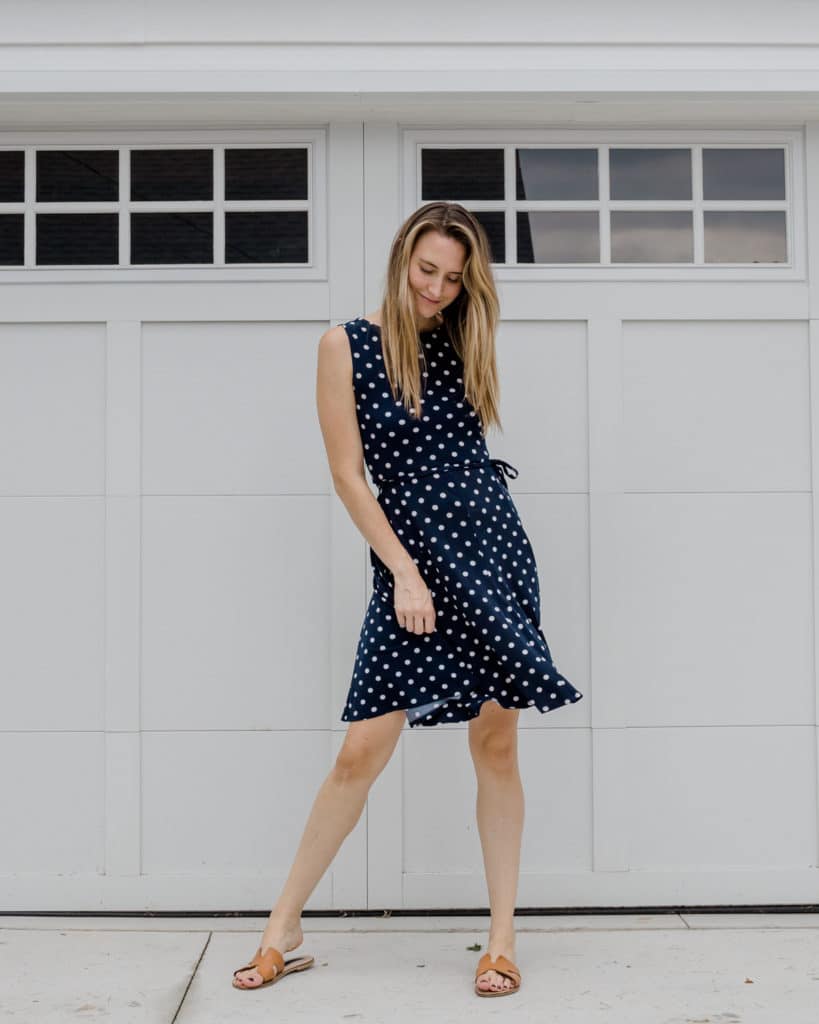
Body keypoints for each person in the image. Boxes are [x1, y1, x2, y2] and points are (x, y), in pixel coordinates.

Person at [231, 201, 584, 998]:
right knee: (361, 749)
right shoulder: (344, 345)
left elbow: (465, 450)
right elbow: (349, 475)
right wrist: (402, 570)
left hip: (490, 551)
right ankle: (282, 926)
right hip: (412, 561)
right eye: (427, 271)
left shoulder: (464, 335)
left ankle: (499, 942)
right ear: (400, 260)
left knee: (495, 744)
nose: (436, 290)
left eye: (455, 279)